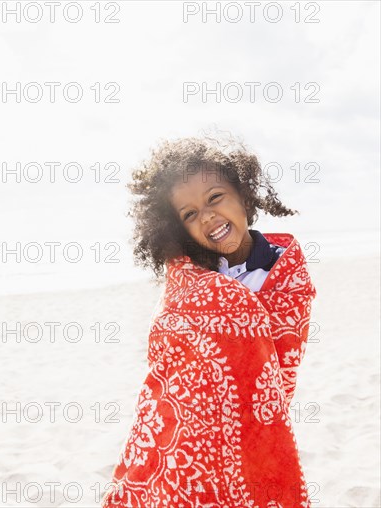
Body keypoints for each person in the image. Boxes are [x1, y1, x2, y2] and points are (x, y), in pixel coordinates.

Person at [101, 134, 318, 508]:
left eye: (215, 197)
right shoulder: (187, 276)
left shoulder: (286, 275)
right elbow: (167, 358)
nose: (207, 216)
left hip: (253, 428)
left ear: (244, 195)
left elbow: (280, 369)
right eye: (189, 214)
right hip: (184, 434)